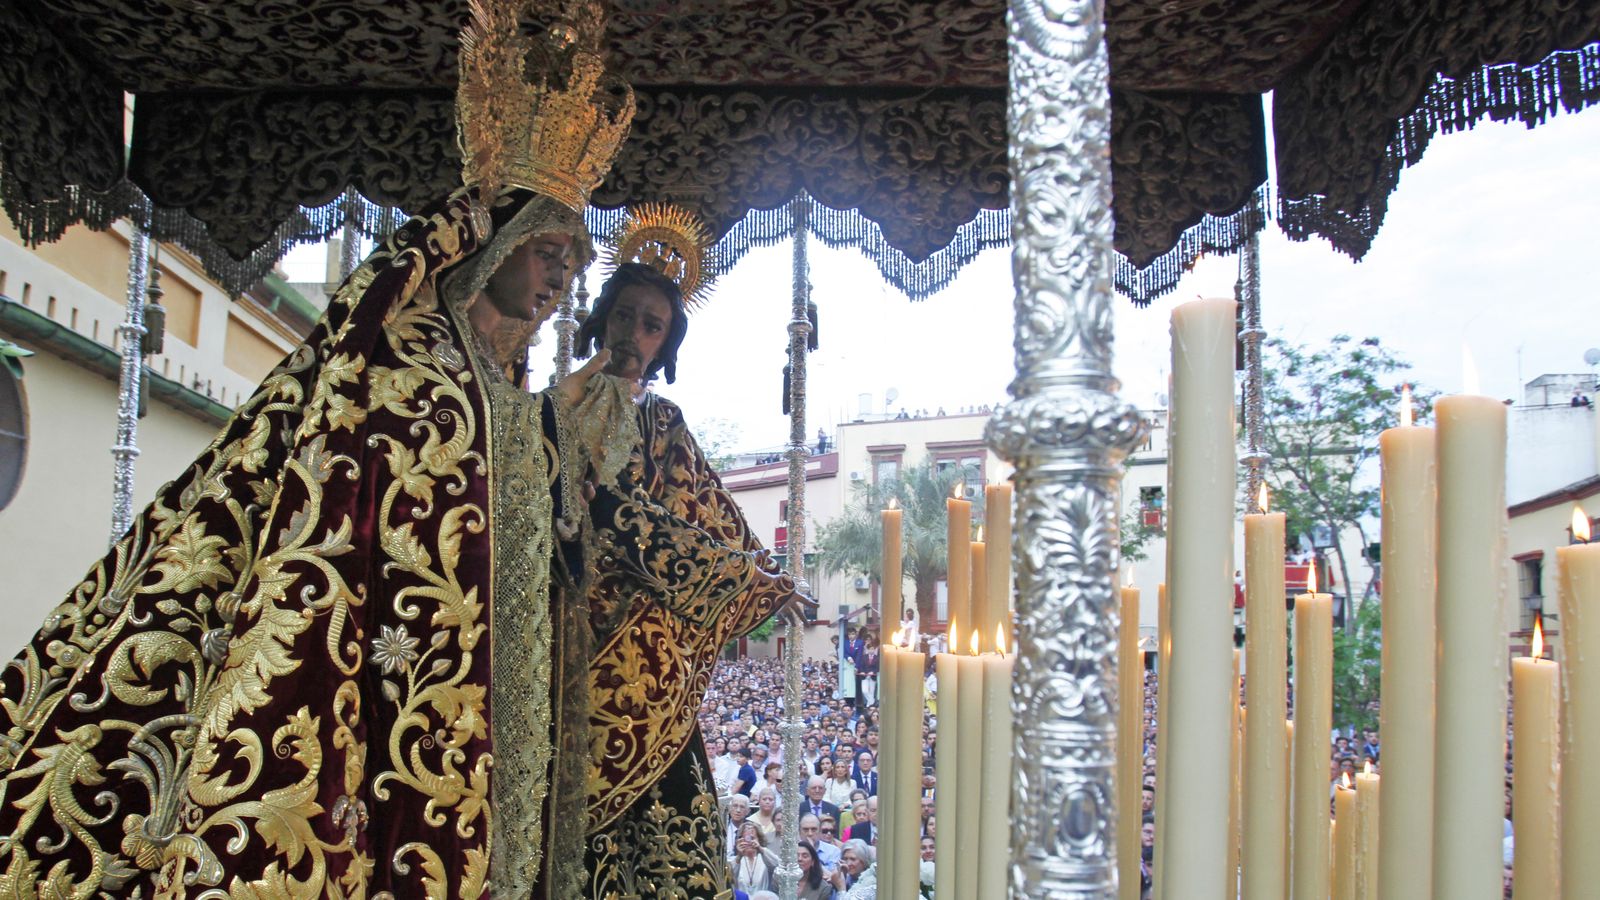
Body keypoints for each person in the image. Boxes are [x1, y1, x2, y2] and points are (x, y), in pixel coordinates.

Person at [0, 3, 643, 896]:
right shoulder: (410, 369)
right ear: (493, 241)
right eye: (544, 257)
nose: (554, 287)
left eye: (569, 272)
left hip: (496, 726)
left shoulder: (508, 399)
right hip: (388, 710)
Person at [579, 217, 816, 897]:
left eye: (652, 324)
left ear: (665, 346)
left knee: (669, 843)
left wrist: (761, 581)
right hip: (562, 646)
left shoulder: (663, 426)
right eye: (625, 315)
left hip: (645, 670)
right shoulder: (547, 412)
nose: (634, 333)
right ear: (600, 319)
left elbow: (718, 528)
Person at [732, 822, 778, 893]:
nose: (748, 841)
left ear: (759, 839)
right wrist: (739, 855)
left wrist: (760, 848)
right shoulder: (736, 860)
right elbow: (731, 876)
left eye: (752, 838)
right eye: (745, 838)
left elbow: (776, 865)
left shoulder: (765, 858)